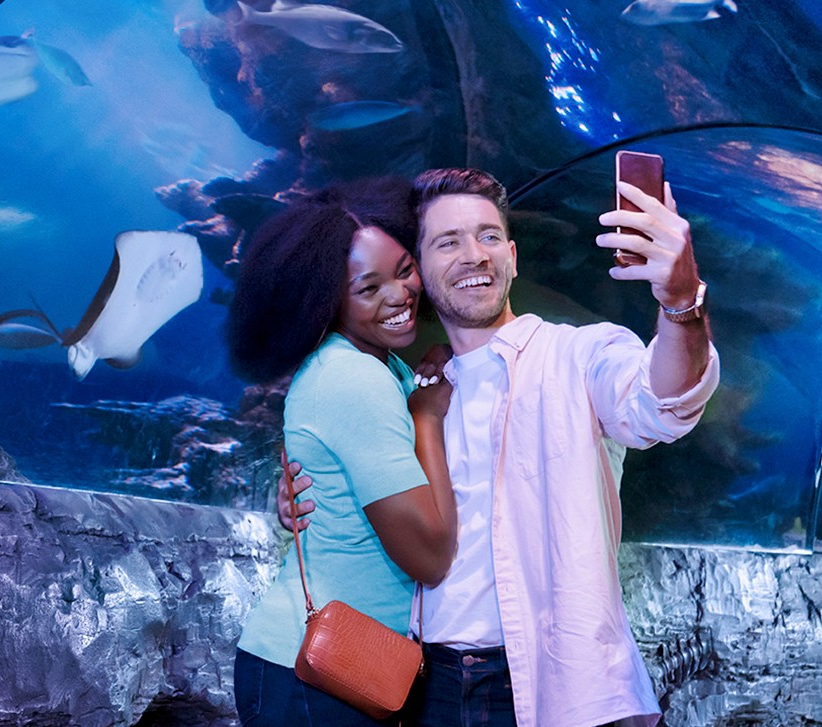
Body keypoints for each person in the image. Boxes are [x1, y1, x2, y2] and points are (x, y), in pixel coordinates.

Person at [282, 166, 719, 727]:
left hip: (561, 683)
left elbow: (665, 402)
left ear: (512, 257)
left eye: (488, 236)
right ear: (419, 271)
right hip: (426, 686)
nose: (474, 255)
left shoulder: (579, 355)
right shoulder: (412, 390)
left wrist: (681, 301)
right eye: (448, 242)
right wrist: (300, 492)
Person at [229, 180, 458, 726]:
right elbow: (429, 557)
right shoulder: (353, 377)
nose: (399, 295)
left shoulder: (381, 364)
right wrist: (427, 418)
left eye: (405, 270)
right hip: (312, 673)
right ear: (329, 301)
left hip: (347, 667)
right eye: (368, 288)